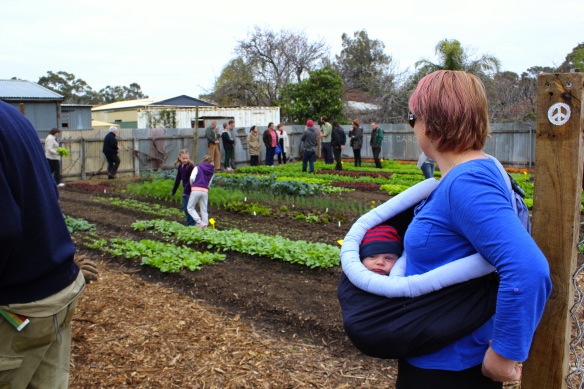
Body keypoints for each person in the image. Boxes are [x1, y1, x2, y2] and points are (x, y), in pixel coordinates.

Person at [393, 70, 551, 387]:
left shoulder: (467, 183)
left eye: (413, 118)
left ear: (431, 124)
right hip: (440, 356)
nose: (413, 128)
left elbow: (528, 269)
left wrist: (504, 355)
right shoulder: (478, 170)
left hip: (450, 369)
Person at [0, 99, 85, 388]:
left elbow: (4, 229)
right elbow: (49, 192)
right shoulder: (12, 115)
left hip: (18, 306)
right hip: (59, 290)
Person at [187, 154, 215, 228]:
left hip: (196, 189)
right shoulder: (212, 171)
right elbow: (209, 183)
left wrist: (192, 185)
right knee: (204, 209)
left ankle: (199, 222)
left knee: (190, 208)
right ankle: (205, 225)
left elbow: (192, 178)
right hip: (205, 191)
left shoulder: (197, 167)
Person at [171, 149, 196, 226]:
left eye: (187, 158)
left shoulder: (190, 167)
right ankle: (190, 222)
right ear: (179, 158)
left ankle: (191, 223)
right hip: (186, 190)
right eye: (183, 158)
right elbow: (178, 179)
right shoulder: (180, 167)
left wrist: (186, 190)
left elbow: (191, 180)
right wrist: (173, 191)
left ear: (189, 158)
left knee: (188, 208)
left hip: (191, 190)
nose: (185, 160)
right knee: (186, 208)